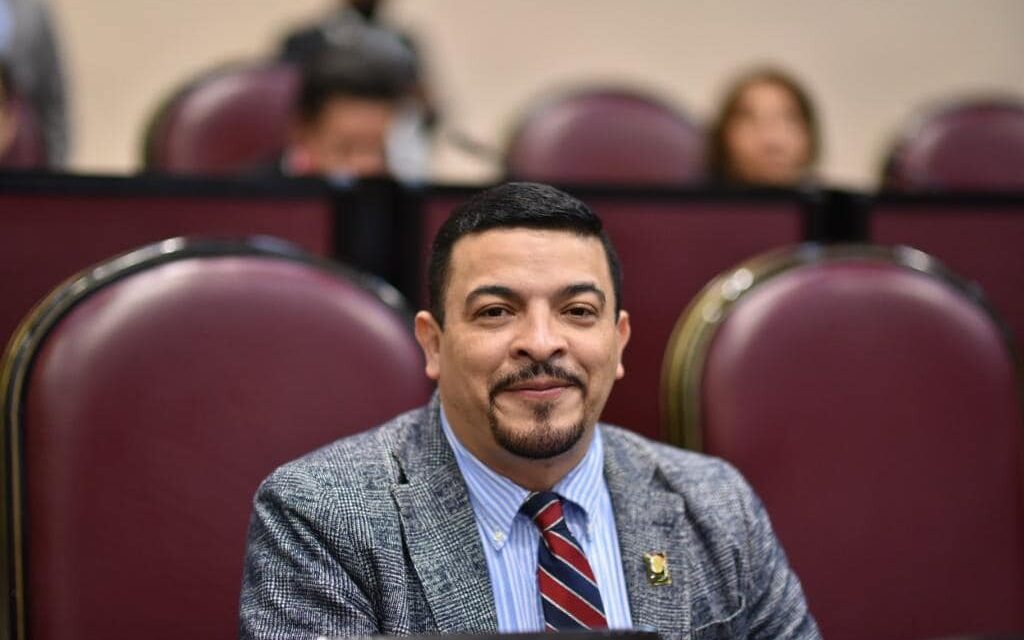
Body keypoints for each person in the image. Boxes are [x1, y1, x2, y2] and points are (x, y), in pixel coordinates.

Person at [238, 182, 820, 639]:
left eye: (578, 311)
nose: (542, 342)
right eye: (496, 312)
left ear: (618, 342)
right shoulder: (322, 517)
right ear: (434, 344)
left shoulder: (718, 506)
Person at [272, 22, 424, 182]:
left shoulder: (399, 198)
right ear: (302, 133)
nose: (368, 167)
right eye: (347, 149)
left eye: (379, 150)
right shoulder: (253, 200)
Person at [706, 67, 820, 187]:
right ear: (724, 136)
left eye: (790, 120)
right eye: (750, 121)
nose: (772, 141)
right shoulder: (700, 204)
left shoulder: (834, 203)